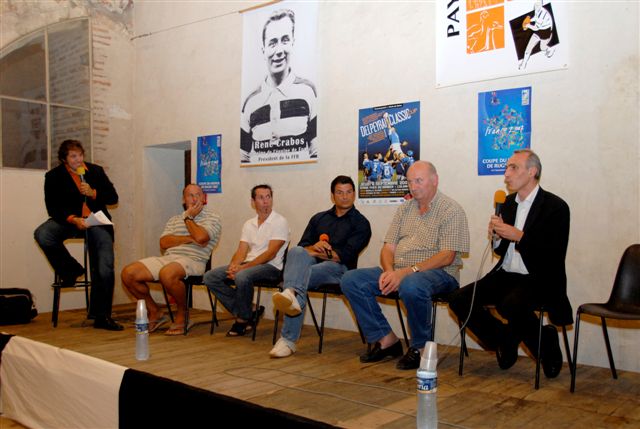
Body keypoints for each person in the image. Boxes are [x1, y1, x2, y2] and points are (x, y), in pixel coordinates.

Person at [448, 149, 571, 378]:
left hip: (538, 276)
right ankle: (504, 339)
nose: (506, 174)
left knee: (510, 305)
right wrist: (496, 238)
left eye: (513, 168)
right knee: (458, 299)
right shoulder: (506, 204)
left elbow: (554, 254)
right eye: (506, 168)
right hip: (505, 274)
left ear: (532, 171)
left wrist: (520, 237)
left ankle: (546, 349)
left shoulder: (555, 207)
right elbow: (501, 250)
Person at [341, 161, 470, 370]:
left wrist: (406, 273)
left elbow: (447, 256)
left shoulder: (451, 209)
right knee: (351, 279)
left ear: (435, 180)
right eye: (410, 181)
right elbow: (388, 248)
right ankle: (386, 340)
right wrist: (389, 272)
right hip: (401, 271)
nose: (413, 186)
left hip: (439, 274)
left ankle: (420, 347)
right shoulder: (404, 209)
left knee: (412, 284)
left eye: (419, 181)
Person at [269, 175, 372, 358]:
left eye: (349, 192)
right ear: (332, 195)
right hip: (312, 268)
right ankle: (291, 294)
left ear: (354, 194)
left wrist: (315, 252)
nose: (345, 196)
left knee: (299, 277)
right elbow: (302, 248)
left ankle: (288, 337)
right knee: (295, 252)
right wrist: (314, 247)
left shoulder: (361, 223)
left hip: (340, 271)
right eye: (340, 192)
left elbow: (343, 256)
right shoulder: (319, 218)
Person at [34, 139, 122, 330]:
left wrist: (93, 193)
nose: (78, 160)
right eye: (73, 156)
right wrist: (73, 219)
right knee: (43, 234)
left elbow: (113, 198)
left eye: (80, 155)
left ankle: (102, 315)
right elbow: (53, 207)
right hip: (69, 221)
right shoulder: (54, 176)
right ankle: (71, 270)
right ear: (64, 159)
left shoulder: (95, 171)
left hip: (96, 221)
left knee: (104, 264)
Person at [121, 184, 221, 335]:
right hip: (169, 258)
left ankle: (182, 314)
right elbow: (164, 242)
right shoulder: (174, 220)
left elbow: (201, 237)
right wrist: (189, 238)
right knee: (129, 273)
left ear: (204, 198)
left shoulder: (212, 218)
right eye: (190, 195)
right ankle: (155, 311)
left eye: (198, 195)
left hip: (194, 260)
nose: (194, 199)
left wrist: (188, 218)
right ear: (183, 199)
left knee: (167, 273)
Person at [204, 185, 289, 337]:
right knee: (210, 277)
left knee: (242, 276)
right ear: (253, 202)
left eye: (268, 197)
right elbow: (241, 251)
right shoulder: (249, 223)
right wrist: (234, 266)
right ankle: (250, 309)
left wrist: (242, 269)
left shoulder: (279, 221)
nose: (266, 201)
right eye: (261, 197)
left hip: (271, 267)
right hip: (250, 265)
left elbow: (270, 254)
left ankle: (242, 320)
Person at [240, 8, 317, 164]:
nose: (279, 51)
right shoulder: (250, 102)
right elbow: (243, 156)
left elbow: (316, 150)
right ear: (263, 50)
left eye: (285, 40)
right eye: (273, 43)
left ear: (293, 43)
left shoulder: (308, 91)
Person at [519, 0, 555, 70]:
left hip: (545, 31)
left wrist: (527, 25)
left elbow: (535, 28)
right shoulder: (537, 9)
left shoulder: (543, 15)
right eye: (535, 4)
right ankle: (524, 64)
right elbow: (536, 18)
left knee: (542, 47)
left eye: (538, 5)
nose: (536, 6)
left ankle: (550, 49)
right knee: (528, 48)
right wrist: (530, 20)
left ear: (541, 4)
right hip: (539, 29)